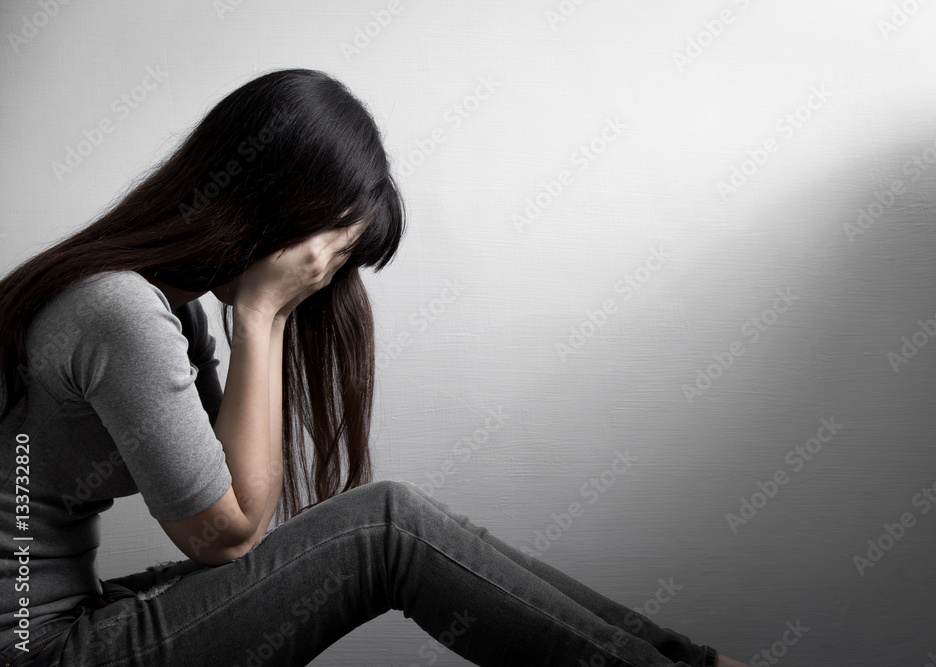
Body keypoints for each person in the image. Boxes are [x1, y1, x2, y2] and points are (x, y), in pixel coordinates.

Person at [0, 68, 749, 667]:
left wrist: (264, 316)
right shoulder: (120, 310)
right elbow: (224, 534)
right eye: (326, 252)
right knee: (387, 525)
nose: (321, 276)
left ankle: (689, 660)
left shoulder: (168, 310)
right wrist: (261, 316)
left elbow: (237, 512)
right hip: (43, 649)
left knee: (424, 526)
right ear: (267, 202)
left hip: (73, 619)